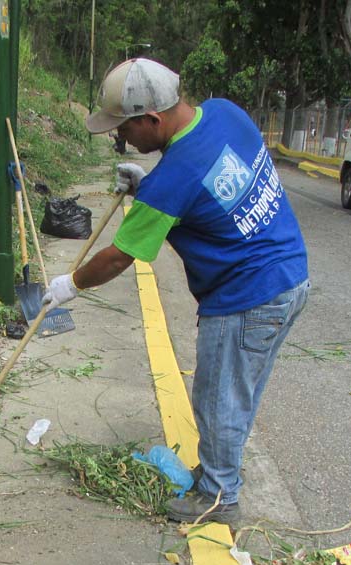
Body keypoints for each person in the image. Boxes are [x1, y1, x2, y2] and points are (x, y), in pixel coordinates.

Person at [42, 58, 310, 524]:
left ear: (152, 119)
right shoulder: (225, 111)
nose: (121, 139)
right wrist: (151, 187)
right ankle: (219, 474)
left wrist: (71, 284)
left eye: (124, 129)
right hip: (291, 277)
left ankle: (219, 498)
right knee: (236, 397)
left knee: (217, 403)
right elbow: (211, 186)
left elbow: (121, 256)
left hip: (247, 298)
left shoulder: (171, 181)